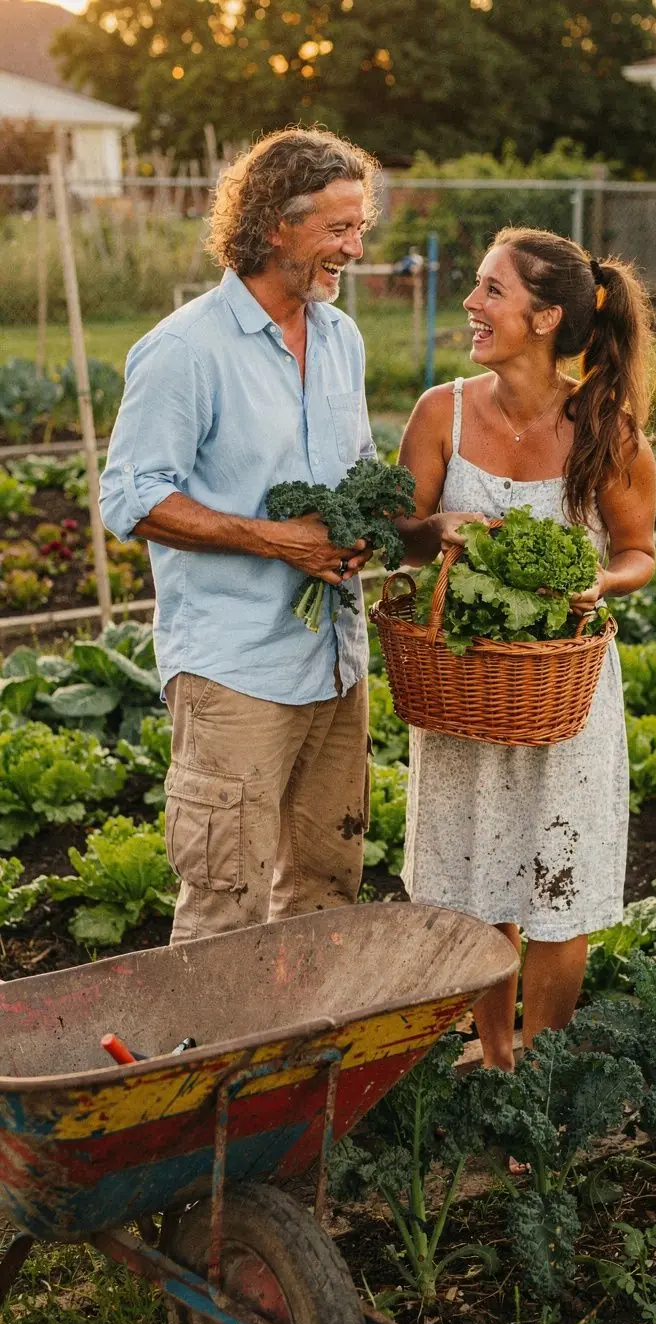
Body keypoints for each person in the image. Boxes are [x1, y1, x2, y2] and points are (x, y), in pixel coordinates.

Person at [99, 128, 380, 945]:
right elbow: (133, 498)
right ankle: (209, 1071)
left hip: (334, 662)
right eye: (337, 230)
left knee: (327, 885)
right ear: (271, 227)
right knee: (226, 902)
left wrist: (375, 533)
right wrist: (277, 541)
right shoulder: (186, 349)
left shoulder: (340, 338)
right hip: (236, 672)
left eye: (359, 228)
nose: (355, 249)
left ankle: (297, 1065)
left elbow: (356, 472)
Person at [396, 227, 656, 1070]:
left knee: (557, 888)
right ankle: (495, 1048)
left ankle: (540, 1074)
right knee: (479, 876)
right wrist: (434, 529)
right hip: (466, 687)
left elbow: (639, 553)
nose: (471, 304)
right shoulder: (442, 410)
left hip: (563, 699)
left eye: (490, 291)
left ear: (546, 318)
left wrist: (601, 585)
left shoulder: (604, 430)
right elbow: (401, 533)